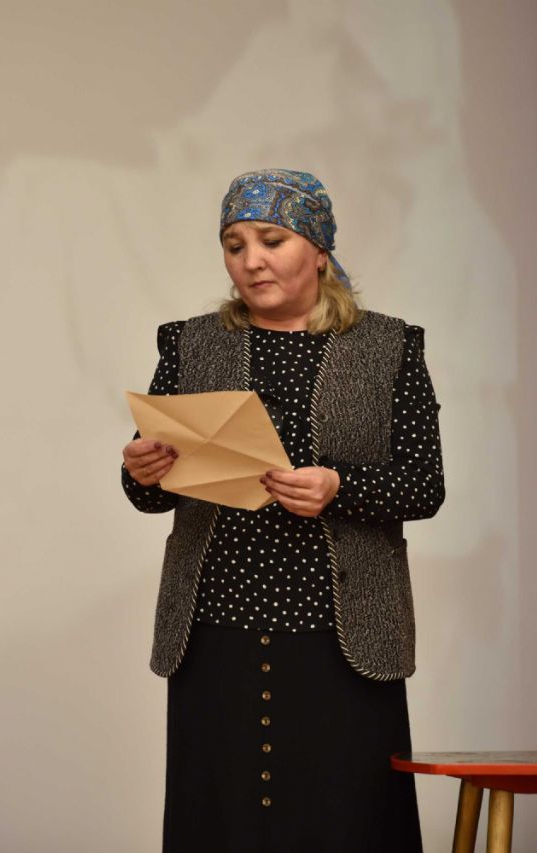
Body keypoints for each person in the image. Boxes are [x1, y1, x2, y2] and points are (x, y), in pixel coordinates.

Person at [121, 168, 445, 852]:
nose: (251, 261)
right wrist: (142, 471)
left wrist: (339, 487)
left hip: (344, 633)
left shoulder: (391, 346)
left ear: (319, 250)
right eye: (234, 245)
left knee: (344, 821)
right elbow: (151, 490)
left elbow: (424, 485)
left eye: (272, 240)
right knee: (223, 820)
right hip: (216, 626)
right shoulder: (189, 343)